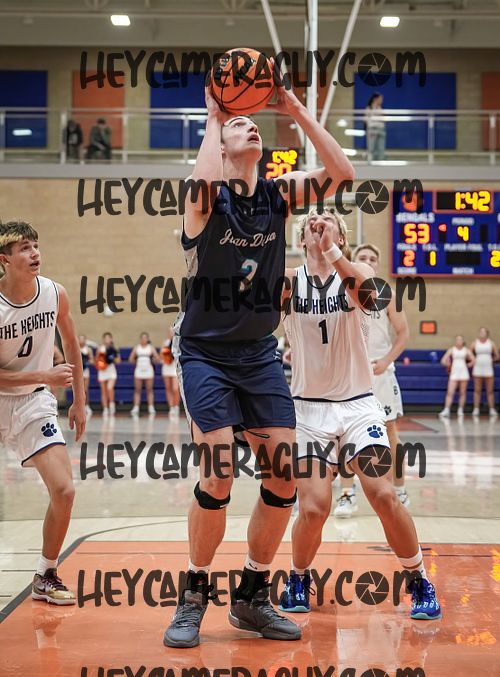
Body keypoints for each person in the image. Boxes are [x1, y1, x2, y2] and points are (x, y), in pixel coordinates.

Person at [163, 67, 355, 648]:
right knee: (218, 470)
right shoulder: (205, 200)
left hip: (258, 353)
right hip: (204, 352)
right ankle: (193, 596)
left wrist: (294, 109)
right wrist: (214, 116)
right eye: (237, 124)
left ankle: (251, 596)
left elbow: (342, 174)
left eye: (252, 122)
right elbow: (201, 183)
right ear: (220, 147)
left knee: (283, 476)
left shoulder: (277, 194)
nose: (249, 125)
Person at [278, 208, 441, 621]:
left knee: (383, 494)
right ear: (301, 238)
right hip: (308, 411)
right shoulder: (289, 281)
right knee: (314, 507)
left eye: (328, 219)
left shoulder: (359, 274)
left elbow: (367, 295)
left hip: (358, 406)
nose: (318, 221)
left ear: (341, 236)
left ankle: (418, 578)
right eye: (311, 221)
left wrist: (331, 251)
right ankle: (298, 577)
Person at [0, 219, 86, 604]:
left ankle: (46, 573)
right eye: (24, 248)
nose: (35, 253)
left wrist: (79, 401)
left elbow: (71, 345)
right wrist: (44, 374)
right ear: (5, 259)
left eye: (36, 245)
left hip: (34, 402)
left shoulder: (54, 293)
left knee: (64, 491)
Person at [334, 243, 410, 517]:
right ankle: (347, 494)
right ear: (353, 261)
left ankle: (399, 490)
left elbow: (403, 333)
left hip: (380, 372)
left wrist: (387, 360)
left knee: (390, 433)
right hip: (351, 374)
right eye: (362, 257)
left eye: (372, 258)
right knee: (343, 434)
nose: (368, 261)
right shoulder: (341, 291)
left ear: (377, 264)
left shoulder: (388, 294)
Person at [439, 336, 475, 418]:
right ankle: (446, 409)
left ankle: (460, 410)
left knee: (462, 392)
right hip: (454, 372)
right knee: (450, 392)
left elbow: (474, 360)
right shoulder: (452, 350)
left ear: (463, 341)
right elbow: (443, 360)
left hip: (463, 372)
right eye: (457, 340)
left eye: (460, 340)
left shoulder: (466, 350)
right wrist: (448, 364)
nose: (458, 341)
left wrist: (468, 365)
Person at [129, 331, 159, 416]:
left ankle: (151, 407)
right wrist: (136, 361)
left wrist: (154, 360)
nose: (144, 339)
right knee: (137, 390)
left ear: (148, 339)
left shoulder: (151, 348)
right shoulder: (137, 347)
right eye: (142, 338)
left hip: (148, 370)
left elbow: (157, 358)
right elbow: (130, 359)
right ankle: (136, 407)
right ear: (140, 339)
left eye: (145, 338)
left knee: (149, 389)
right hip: (139, 370)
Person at [470, 327, 498, 418]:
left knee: (490, 390)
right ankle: (476, 409)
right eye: (480, 331)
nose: (482, 333)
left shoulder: (491, 343)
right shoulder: (474, 343)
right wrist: (473, 361)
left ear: (487, 333)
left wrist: (491, 360)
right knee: (477, 390)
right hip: (477, 368)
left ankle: (492, 409)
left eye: (483, 332)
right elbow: (469, 354)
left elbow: (497, 356)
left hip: (488, 368)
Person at [95, 332, 120, 416]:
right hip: (102, 371)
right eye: (105, 338)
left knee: (110, 387)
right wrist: (102, 362)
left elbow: (118, 361)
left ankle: (112, 404)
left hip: (111, 370)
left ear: (111, 339)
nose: (107, 340)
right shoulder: (100, 348)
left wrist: (111, 358)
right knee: (103, 391)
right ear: (103, 339)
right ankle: (105, 408)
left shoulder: (114, 348)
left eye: (109, 338)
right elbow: (96, 360)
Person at [161, 327, 180, 418]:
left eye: (172, 331)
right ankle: (171, 407)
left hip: (175, 367)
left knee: (175, 388)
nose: (171, 333)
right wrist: (165, 358)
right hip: (167, 367)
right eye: (170, 331)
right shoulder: (165, 343)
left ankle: (176, 406)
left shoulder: (178, 342)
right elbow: (161, 355)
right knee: (168, 388)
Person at [364, 92, 385, 162]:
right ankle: (370, 162)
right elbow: (365, 120)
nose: (381, 100)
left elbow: (383, 119)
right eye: (380, 99)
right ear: (375, 99)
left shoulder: (380, 108)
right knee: (371, 147)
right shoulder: (369, 108)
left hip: (381, 130)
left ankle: (380, 162)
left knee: (380, 148)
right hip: (372, 130)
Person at [79, 334, 94, 418]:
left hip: (85, 370)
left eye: (83, 339)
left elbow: (92, 360)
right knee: (78, 389)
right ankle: (79, 406)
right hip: (77, 371)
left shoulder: (88, 349)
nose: (81, 341)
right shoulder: (76, 348)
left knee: (85, 389)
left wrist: (87, 361)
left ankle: (87, 406)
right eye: (80, 339)